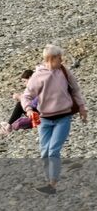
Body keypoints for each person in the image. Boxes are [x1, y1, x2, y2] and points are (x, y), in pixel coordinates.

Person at [21, 44, 88, 194]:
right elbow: (26, 96)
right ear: (51, 59)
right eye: (59, 58)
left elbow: (76, 89)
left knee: (53, 151)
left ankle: (52, 183)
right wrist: (29, 109)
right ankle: (49, 181)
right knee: (44, 152)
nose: (61, 60)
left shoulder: (64, 71)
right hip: (44, 120)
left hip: (63, 118)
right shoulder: (38, 76)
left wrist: (82, 107)